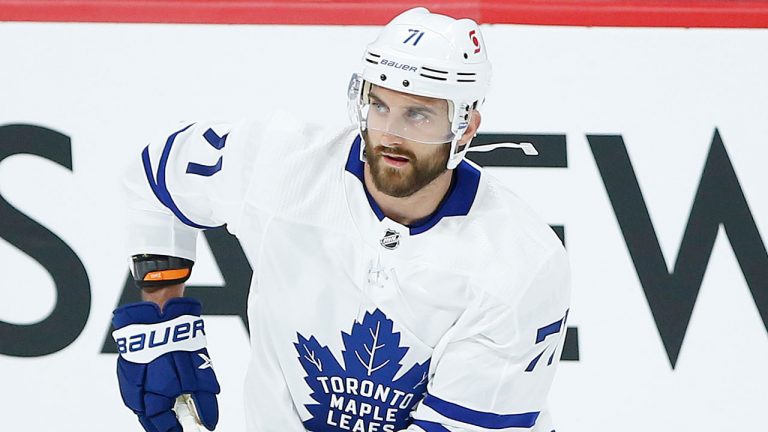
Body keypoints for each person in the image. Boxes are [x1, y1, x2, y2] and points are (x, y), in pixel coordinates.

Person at [112, 7, 571, 432]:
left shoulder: (520, 264)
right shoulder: (280, 164)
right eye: (380, 105)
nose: (390, 133)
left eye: (418, 115)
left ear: (465, 126)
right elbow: (156, 180)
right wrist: (160, 319)